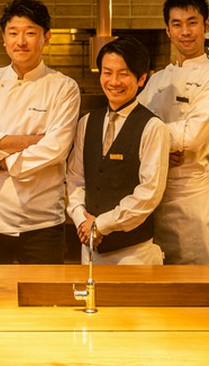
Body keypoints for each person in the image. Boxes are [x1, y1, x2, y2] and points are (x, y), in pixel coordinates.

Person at [0, 0, 80, 264]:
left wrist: (0, 159)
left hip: (42, 224)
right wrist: (30, 141)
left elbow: (56, 149)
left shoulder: (64, 87)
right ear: (4, 38)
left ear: (46, 37)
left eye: (30, 33)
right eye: (13, 33)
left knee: (43, 291)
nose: (21, 41)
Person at [137, 0, 209, 264]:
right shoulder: (157, 79)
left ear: (206, 25)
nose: (185, 31)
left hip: (191, 198)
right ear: (168, 30)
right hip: (151, 196)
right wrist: (159, 151)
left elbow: (192, 136)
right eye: (177, 24)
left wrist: (151, 145)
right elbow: (131, 128)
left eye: (192, 22)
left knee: (198, 283)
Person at [67, 37, 169, 265]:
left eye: (123, 74)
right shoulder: (87, 122)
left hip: (133, 253)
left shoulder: (153, 127)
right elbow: (75, 179)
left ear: (141, 79)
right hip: (90, 245)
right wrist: (81, 219)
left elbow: (149, 193)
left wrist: (102, 225)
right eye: (107, 72)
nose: (114, 81)